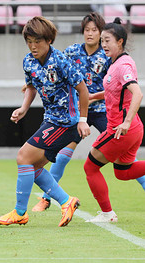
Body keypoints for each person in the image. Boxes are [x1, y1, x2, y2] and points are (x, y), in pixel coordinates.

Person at [32, 13, 145, 212]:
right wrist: (35, 81)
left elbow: (121, 86)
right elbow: (54, 68)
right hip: (78, 112)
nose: (90, 34)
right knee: (62, 156)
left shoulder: (110, 55)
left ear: (103, 34)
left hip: (104, 112)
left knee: (123, 155)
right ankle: (46, 198)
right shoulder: (72, 51)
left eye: (95, 30)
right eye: (87, 30)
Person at [0, 16, 91, 227]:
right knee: (33, 167)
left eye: (37, 41)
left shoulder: (62, 61)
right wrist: (23, 108)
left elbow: (83, 89)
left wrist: (83, 120)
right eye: (29, 41)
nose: (33, 45)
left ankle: (20, 212)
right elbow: (31, 86)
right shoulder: (28, 61)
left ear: (49, 40)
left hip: (66, 123)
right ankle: (67, 201)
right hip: (51, 121)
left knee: (23, 157)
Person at [83, 18, 145, 223]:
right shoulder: (115, 63)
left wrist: (126, 122)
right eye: (102, 41)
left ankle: (108, 214)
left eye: (107, 40)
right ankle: (107, 213)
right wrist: (94, 96)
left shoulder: (123, 64)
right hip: (131, 129)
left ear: (120, 41)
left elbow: (137, 93)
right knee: (123, 173)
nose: (103, 45)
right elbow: (116, 91)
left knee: (90, 167)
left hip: (122, 130)